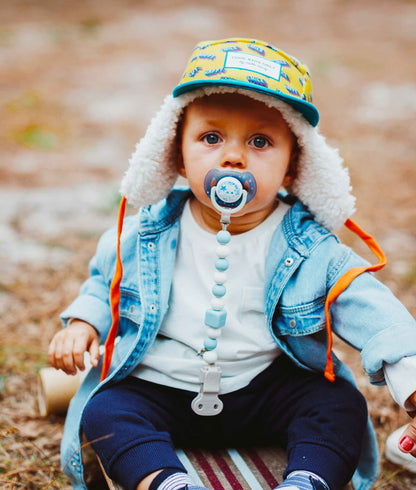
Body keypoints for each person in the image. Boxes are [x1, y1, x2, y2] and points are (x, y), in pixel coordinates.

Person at [48, 38, 416, 490]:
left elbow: (369, 307)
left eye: (260, 141)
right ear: (177, 154)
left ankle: (307, 480)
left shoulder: (308, 245)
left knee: (338, 402)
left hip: (266, 390)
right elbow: (107, 283)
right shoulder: (146, 233)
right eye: (210, 137)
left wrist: (408, 370)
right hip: (163, 387)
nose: (233, 156)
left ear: (292, 166)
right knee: (108, 410)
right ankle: (162, 481)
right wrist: (84, 323)